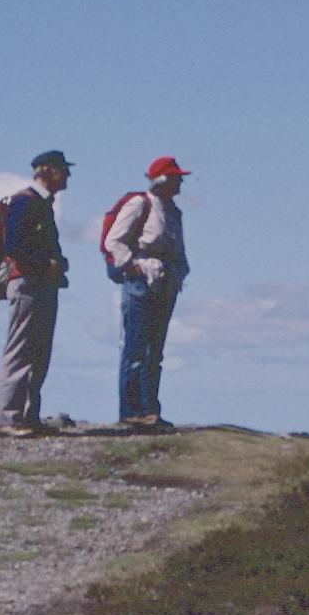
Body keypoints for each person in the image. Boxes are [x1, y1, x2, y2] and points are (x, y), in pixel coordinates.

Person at [101, 155, 190, 430]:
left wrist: (179, 272)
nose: (180, 184)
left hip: (164, 282)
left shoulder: (172, 210)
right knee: (136, 347)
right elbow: (113, 240)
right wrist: (133, 268)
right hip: (142, 281)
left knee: (155, 350)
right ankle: (132, 411)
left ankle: (149, 409)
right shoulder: (140, 203)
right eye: (176, 178)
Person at [0, 149, 70, 436]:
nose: (68, 176)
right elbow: (14, 247)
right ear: (47, 170)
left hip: (39, 283)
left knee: (37, 351)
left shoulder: (39, 203)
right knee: (20, 350)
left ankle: (26, 415)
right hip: (28, 283)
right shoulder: (25, 202)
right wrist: (46, 263)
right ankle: (8, 418)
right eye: (63, 170)